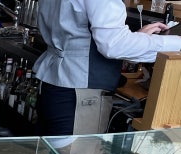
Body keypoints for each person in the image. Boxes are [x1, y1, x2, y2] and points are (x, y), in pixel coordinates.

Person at [34, 0, 181, 136]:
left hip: (53, 84)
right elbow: (113, 46)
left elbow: (76, 31)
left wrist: (138, 38)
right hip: (79, 92)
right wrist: (176, 43)